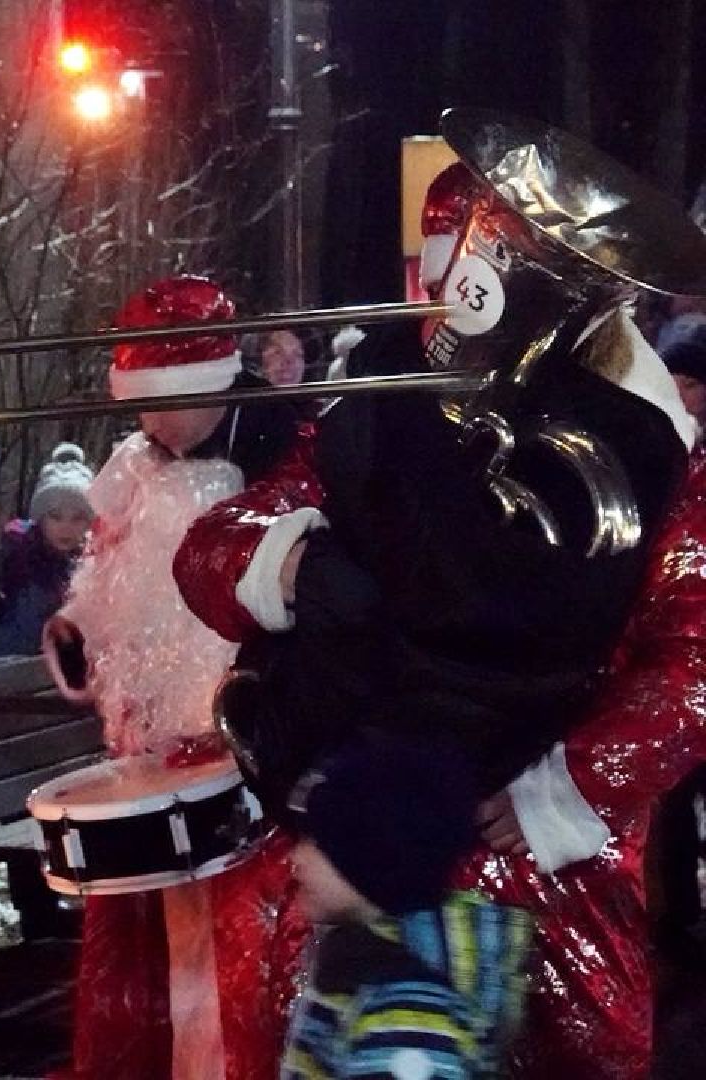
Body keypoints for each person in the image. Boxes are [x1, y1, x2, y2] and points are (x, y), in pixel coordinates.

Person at [175, 163, 704, 1079]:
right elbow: (215, 544)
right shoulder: (393, 409)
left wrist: (563, 788)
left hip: (543, 866)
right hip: (350, 843)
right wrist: (292, 559)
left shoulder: (661, 457)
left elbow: (695, 658)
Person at [43, 275, 308, 1080]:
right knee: (143, 962)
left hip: (249, 757)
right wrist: (77, 629)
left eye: (169, 405)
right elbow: (108, 576)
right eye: (144, 406)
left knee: (229, 974)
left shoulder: (280, 452)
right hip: (145, 760)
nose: (152, 424)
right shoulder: (136, 462)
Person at [281, 737, 532, 1080]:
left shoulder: (409, 1010)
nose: (297, 858)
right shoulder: (365, 963)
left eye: (319, 843)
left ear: (371, 867)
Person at [0, 442, 92, 661]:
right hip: (6, 654)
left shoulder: (91, 562)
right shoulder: (21, 552)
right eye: (55, 517)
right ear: (41, 519)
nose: (66, 528)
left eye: (78, 518)